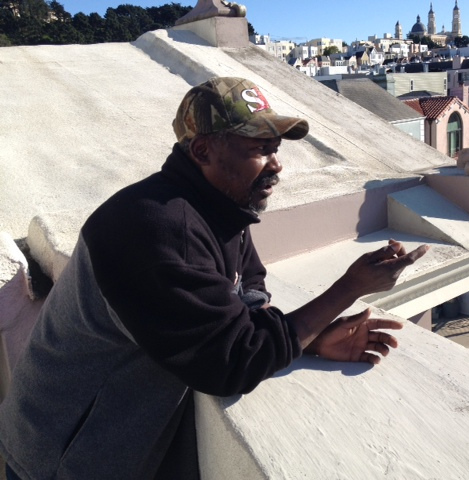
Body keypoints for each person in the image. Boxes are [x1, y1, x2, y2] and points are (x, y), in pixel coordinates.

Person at [0, 77, 427, 479]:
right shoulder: (157, 230)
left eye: (276, 148)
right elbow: (234, 361)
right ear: (203, 151)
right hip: (62, 457)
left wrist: (310, 339)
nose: (277, 165)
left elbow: (247, 302)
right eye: (260, 148)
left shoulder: (221, 209)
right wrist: (351, 287)